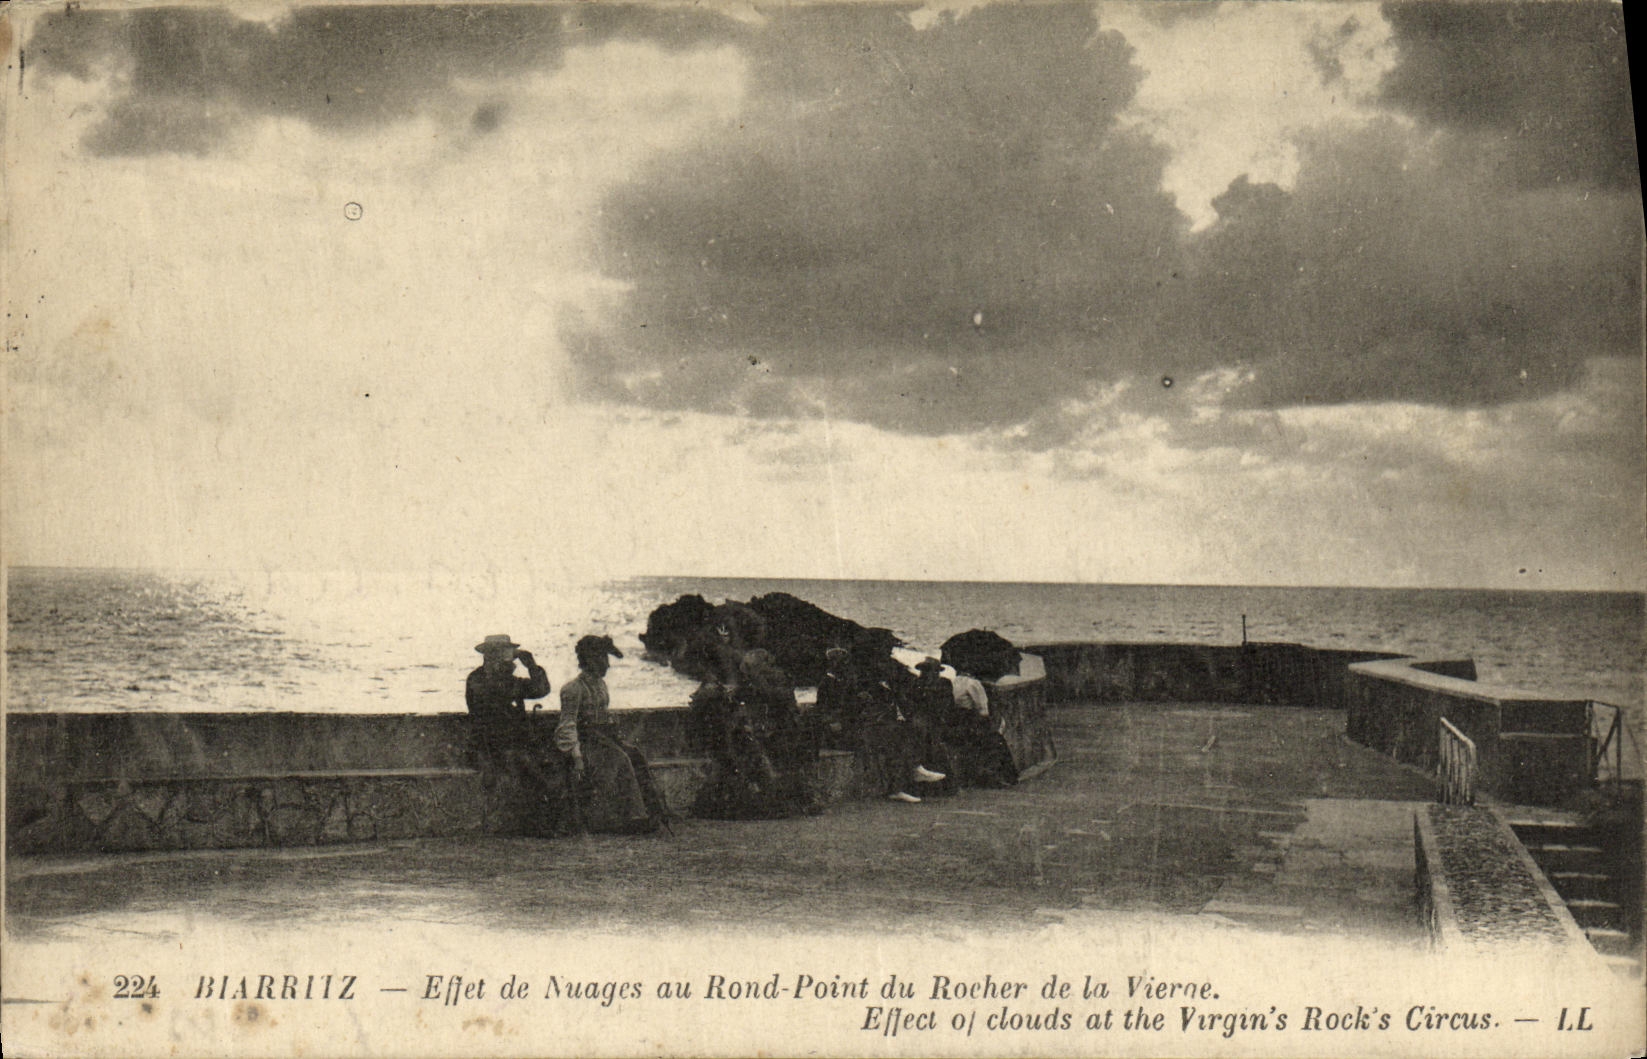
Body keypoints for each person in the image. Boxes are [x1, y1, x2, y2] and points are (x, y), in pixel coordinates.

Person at [555, 634, 675, 835]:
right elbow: (567, 724)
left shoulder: (600, 686)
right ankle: (633, 818)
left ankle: (653, 811)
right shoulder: (573, 689)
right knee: (621, 760)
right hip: (587, 745)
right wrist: (576, 755)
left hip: (605, 740)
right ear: (591, 660)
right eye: (603, 659)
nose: (607, 665)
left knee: (635, 755)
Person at [465, 634, 558, 833]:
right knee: (526, 769)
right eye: (499, 655)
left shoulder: (509, 680)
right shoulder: (477, 679)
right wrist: (505, 673)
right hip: (488, 745)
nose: (505, 659)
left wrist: (532, 665)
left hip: (513, 744)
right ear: (488, 656)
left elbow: (541, 689)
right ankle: (535, 825)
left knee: (544, 767)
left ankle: (541, 823)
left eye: (506, 654)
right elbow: (492, 697)